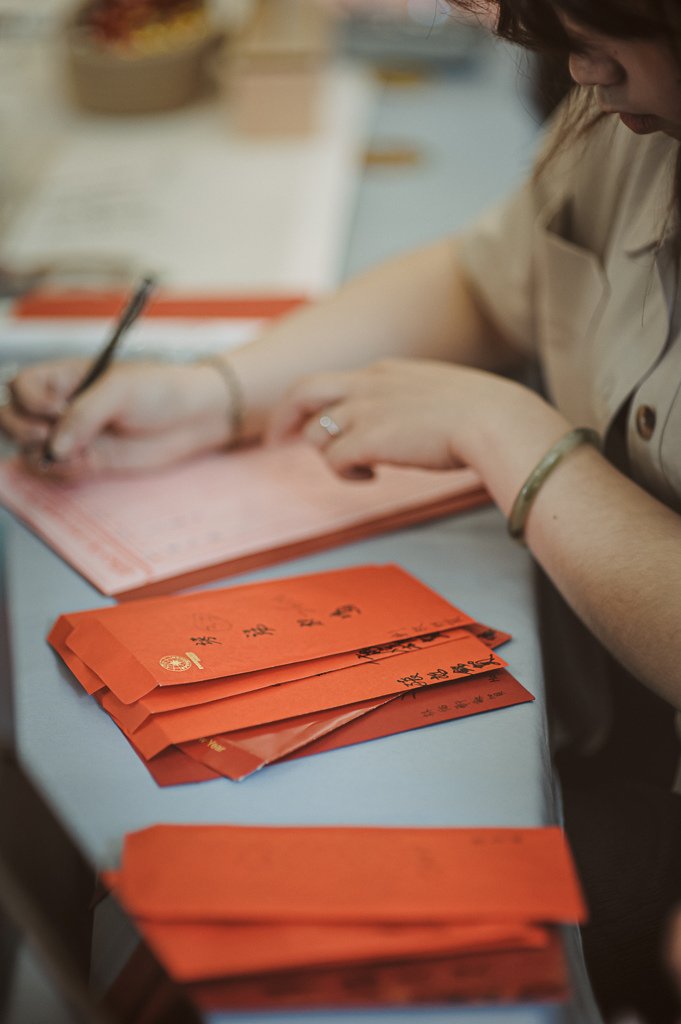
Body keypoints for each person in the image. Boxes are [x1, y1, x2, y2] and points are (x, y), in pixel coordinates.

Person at [3, 0, 681, 1019]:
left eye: (604, 37)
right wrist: (218, 393)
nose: (583, 75)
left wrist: (513, 439)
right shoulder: (625, 121)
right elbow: (492, 272)